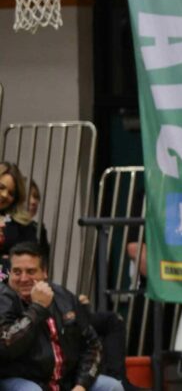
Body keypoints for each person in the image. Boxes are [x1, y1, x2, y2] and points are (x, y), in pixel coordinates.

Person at [0, 242, 123, 391]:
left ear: (44, 272)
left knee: (112, 386)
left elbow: (92, 344)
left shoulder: (63, 297)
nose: (23, 278)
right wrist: (37, 308)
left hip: (65, 380)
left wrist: (81, 385)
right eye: (17, 272)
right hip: (22, 380)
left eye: (31, 271)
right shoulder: (4, 299)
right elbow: (5, 346)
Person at [0, 163, 48, 261]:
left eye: (11, 193)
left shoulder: (21, 226)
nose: (5, 195)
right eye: (1, 187)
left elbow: (28, 263)